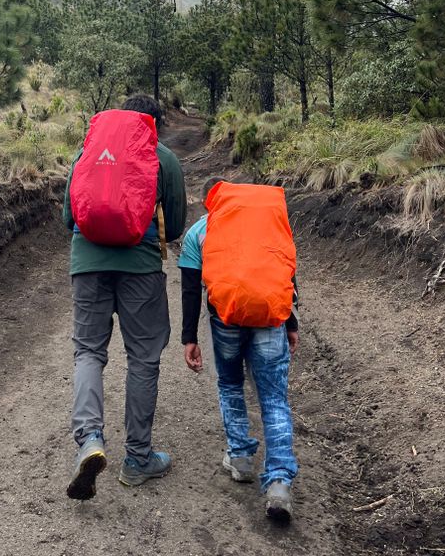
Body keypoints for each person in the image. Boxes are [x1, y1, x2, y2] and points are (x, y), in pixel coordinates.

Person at [63, 94, 187, 500]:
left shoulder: (89, 149)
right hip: (140, 268)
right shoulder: (162, 156)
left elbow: (69, 217)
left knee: (88, 352)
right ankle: (137, 458)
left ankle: (90, 440)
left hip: (87, 264)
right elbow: (175, 227)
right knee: (144, 357)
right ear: (152, 123)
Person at [178, 177, 299, 521]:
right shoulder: (270, 226)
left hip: (225, 320)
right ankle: (278, 481)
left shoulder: (200, 231)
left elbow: (190, 289)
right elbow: (287, 273)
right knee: (274, 398)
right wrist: (291, 323)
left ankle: (241, 457)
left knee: (231, 383)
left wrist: (190, 338)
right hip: (270, 319)